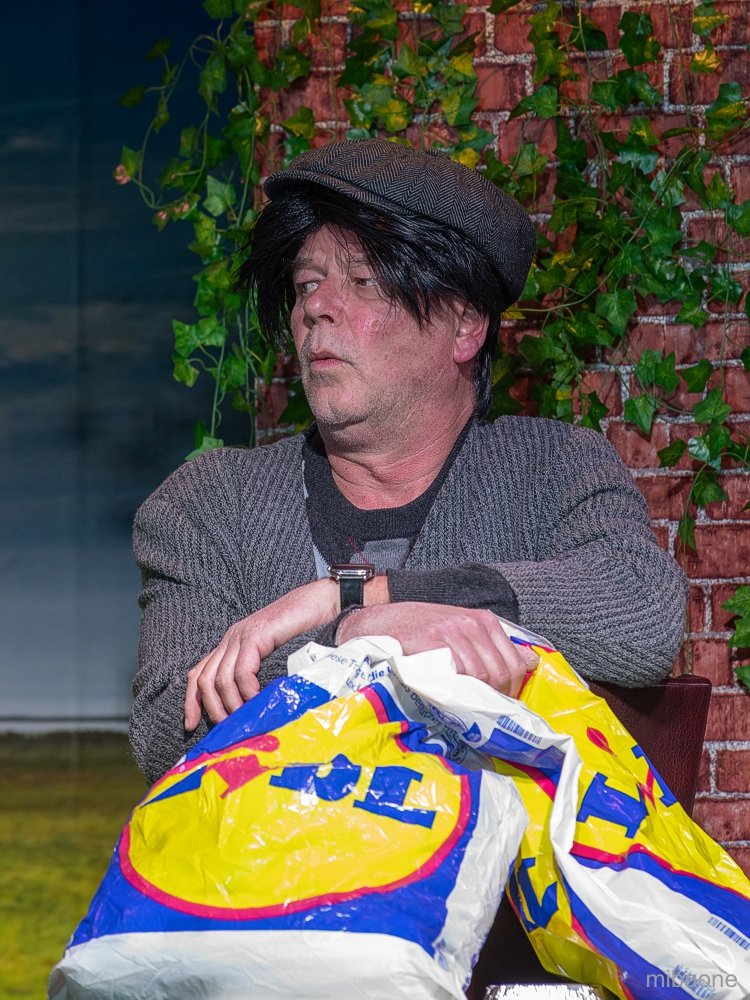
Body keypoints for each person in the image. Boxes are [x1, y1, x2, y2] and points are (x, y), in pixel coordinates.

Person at [130, 139, 687, 784]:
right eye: (307, 284)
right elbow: (167, 729)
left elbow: (644, 612)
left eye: (363, 280)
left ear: (464, 325)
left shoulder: (552, 469)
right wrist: (355, 638)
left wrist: (360, 596)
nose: (316, 307)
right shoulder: (211, 504)